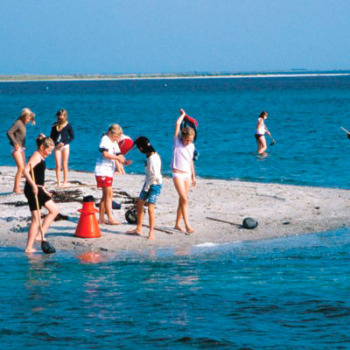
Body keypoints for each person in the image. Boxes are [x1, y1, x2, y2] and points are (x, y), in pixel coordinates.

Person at [23, 134, 59, 253]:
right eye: (49, 150)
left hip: (39, 189)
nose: (50, 153)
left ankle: (40, 235)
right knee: (35, 219)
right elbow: (25, 171)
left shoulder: (40, 156)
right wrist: (33, 186)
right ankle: (28, 247)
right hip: (32, 190)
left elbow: (39, 178)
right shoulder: (36, 156)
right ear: (43, 147)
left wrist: (45, 191)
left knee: (54, 210)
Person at [127, 136, 162, 240]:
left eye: (139, 148)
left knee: (151, 208)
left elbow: (155, 175)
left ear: (142, 148)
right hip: (148, 183)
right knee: (139, 204)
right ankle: (138, 228)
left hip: (155, 185)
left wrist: (147, 187)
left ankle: (151, 232)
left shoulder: (153, 158)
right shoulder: (149, 155)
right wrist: (146, 185)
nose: (139, 150)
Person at [95, 124, 126, 225]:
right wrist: (117, 158)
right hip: (102, 170)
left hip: (109, 171)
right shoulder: (105, 139)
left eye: (118, 136)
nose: (117, 138)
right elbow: (105, 154)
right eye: (116, 136)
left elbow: (118, 154)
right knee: (109, 194)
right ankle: (110, 218)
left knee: (105, 195)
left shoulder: (113, 142)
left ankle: (101, 219)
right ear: (110, 133)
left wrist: (124, 161)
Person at [171, 109, 196, 234]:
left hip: (187, 175)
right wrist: (182, 115)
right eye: (187, 140)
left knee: (182, 200)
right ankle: (187, 225)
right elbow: (177, 125)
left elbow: (190, 161)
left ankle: (177, 224)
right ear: (183, 137)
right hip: (177, 174)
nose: (188, 142)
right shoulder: (177, 142)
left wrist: (193, 176)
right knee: (184, 199)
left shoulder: (191, 146)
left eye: (191, 140)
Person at [6, 108, 36, 193]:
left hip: (21, 147)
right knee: (20, 168)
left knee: (24, 168)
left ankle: (22, 187)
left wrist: (23, 145)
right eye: (28, 118)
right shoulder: (18, 123)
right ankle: (16, 189)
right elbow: (9, 132)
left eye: (30, 119)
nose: (29, 120)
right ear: (24, 116)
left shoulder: (23, 123)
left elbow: (20, 136)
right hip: (16, 148)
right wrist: (15, 143)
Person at [50, 109, 74, 187]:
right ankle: (58, 182)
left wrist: (64, 143)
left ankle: (65, 181)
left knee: (64, 163)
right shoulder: (54, 125)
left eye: (61, 116)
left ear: (65, 116)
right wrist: (55, 144)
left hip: (65, 146)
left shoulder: (68, 125)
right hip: (57, 146)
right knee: (58, 164)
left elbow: (72, 136)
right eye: (59, 116)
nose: (60, 117)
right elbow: (52, 137)